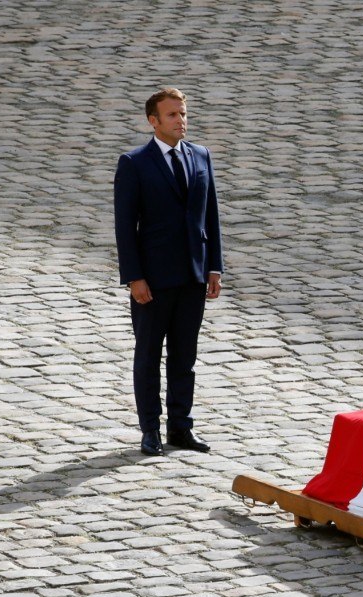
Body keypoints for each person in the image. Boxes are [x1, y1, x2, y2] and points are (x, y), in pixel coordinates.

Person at [114, 87, 223, 455]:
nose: (181, 120)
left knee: (184, 357)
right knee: (148, 357)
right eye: (173, 115)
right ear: (154, 121)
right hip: (154, 280)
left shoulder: (201, 155)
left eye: (183, 113)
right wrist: (134, 277)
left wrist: (214, 267)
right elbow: (125, 226)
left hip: (193, 276)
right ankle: (150, 431)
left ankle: (181, 428)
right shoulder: (134, 163)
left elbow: (210, 215)